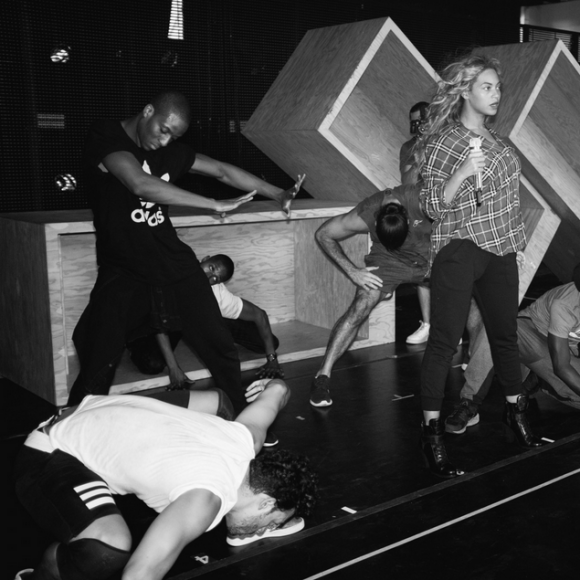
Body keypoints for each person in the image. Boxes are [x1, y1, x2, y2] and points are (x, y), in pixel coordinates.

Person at [67, 90, 304, 414]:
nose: (165, 142)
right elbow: (138, 182)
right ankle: (73, 423)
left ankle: (240, 418)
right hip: (123, 267)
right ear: (148, 110)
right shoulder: (107, 136)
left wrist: (277, 192)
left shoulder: (171, 151)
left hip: (172, 262)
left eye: (174, 136)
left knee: (218, 344)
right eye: (163, 130)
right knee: (98, 351)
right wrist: (212, 204)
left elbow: (221, 170)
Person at [14, 379, 318, 580]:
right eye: (274, 521)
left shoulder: (246, 436)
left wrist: (273, 382)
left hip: (93, 409)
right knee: (107, 548)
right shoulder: (205, 498)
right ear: (265, 503)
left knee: (219, 402)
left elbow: (278, 392)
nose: (267, 528)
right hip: (51, 450)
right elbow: (140, 573)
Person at [416, 52, 543, 479]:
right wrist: (462, 172)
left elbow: (509, 201)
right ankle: (431, 433)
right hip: (459, 249)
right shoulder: (443, 142)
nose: (496, 94)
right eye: (487, 87)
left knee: (504, 337)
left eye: (498, 87)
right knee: (445, 342)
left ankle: (514, 410)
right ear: (465, 91)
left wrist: (516, 244)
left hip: (500, 251)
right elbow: (433, 205)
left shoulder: (502, 145)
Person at [310, 183, 431, 407]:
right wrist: (353, 271)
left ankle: (475, 360)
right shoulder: (366, 212)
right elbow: (324, 234)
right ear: (374, 223)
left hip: (429, 256)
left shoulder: (424, 201)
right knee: (361, 305)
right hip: (389, 260)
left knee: (474, 291)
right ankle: (322, 376)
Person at [446, 263, 580, 433]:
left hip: (559, 353)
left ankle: (536, 378)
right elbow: (561, 366)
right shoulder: (566, 303)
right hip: (531, 337)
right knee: (497, 328)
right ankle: (469, 403)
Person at [128, 254, 284, 389]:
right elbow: (159, 324)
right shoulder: (177, 276)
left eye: (215, 278)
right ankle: (132, 341)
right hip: (167, 323)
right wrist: (173, 367)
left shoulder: (218, 295)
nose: (209, 277)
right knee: (152, 365)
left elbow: (260, 315)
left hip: (196, 321)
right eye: (211, 267)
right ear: (205, 259)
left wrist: (271, 358)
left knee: (269, 342)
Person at [398, 102, 433, 346]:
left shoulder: (447, 140)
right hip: (420, 215)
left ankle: (450, 328)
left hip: (446, 215)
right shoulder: (409, 146)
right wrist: (422, 153)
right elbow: (408, 182)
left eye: (420, 121)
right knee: (422, 273)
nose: (416, 126)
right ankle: (428, 323)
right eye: (413, 122)